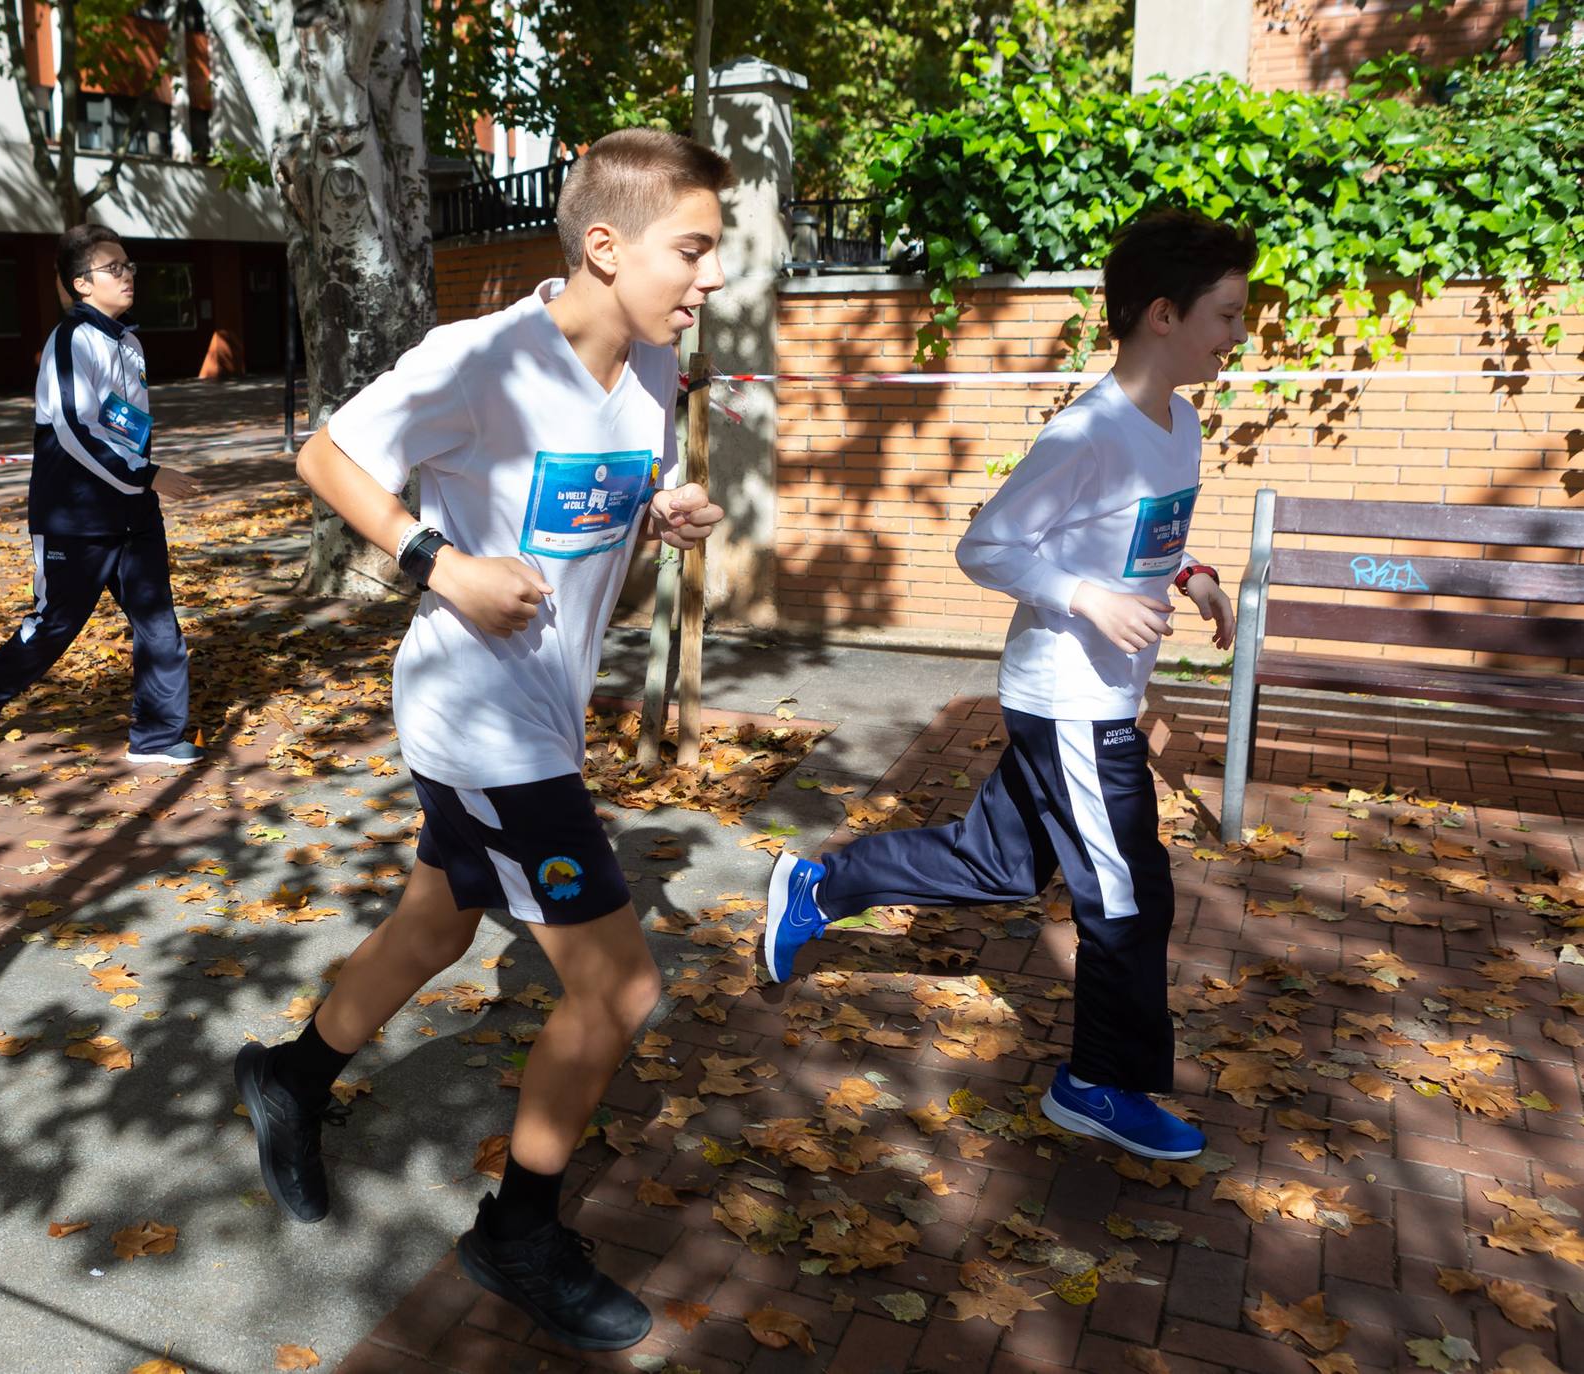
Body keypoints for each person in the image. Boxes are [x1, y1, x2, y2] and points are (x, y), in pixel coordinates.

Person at [232, 128, 729, 1352]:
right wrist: (438, 563)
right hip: (481, 722)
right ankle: (516, 1235)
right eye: (696, 251)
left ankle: (288, 1082)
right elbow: (324, 453)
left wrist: (664, 512)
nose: (712, 279)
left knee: (440, 921)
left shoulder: (651, 367)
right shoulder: (480, 358)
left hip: (543, 714)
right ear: (606, 248)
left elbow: (591, 500)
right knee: (617, 989)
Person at [760, 207, 1252, 1163]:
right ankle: (1096, 1086)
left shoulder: (1177, 422)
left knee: (995, 865)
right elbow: (986, 547)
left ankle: (819, 886)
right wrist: (1086, 601)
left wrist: (1186, 574)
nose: (1239, 336)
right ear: (1162, 313)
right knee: (1127, 896)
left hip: (1084, 696)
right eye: (1226, 315)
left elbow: (1133, 536)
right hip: (1072, 699)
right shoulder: (1088, 433)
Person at [0, 224, 204, 765]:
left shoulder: (131, 343)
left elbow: (130, 425)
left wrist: (142, 480)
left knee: (158, 624)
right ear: (81, 284)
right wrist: (148, 475)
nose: (127, 275)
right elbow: (73, 428)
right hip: (75, 517)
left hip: (134, 513)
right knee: (56, 625)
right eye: (112, 268)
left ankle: (158, 737)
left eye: (129, 266)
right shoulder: (70, 341)